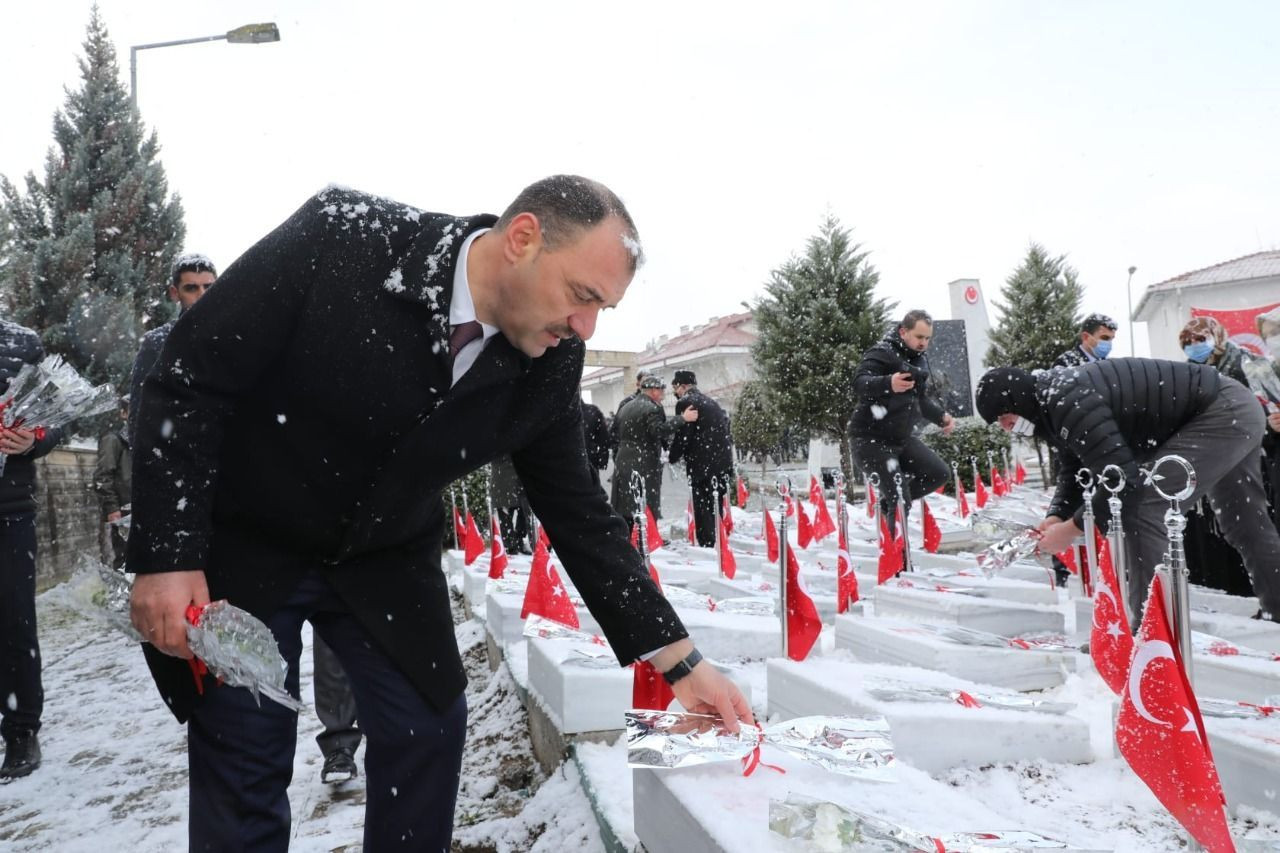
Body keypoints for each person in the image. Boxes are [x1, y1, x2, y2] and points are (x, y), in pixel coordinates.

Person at [127, 175, 752, 850]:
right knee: (244, 747)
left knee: (428, 724)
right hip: (250, 537)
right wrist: (168, 555)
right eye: (582, 295)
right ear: (522, 239)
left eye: (603, 308)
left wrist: (683, 662)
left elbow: (579, 513)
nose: (585, 327)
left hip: (383, 557)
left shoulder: (548, 362)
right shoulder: (343, 239)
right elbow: (188, 374)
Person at [975, 359, 1280, 623]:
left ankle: (1151, 632)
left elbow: (1121, 479)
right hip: (1235, 407)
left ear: (1017, 402)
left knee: (1145, 507)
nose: (1006, 427)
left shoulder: (1067, 400)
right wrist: (1057, 516)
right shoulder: (1052, 402)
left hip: (1221, 411)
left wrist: (1073, 528)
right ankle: (1276, 610)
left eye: (1005, 418)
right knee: (1245, 521)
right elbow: (1073, 469)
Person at [0, 319, 63, 780]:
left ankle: (21, 730)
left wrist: (35, 439)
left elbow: (60, 415)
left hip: (9, 510)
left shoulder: (22, 343)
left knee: (15, 621)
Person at [849, 310, 955, 538]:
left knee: (938, 473)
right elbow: (859, 382)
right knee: (900, 498)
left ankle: (888, 504)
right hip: (870, 439)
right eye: (919, 337)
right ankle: (897, 561)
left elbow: (920, 400)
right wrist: (888, 382)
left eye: (927, 338)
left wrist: (941, 417)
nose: (923, 343)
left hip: (900, 438)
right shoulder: (882, 353)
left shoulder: (917, 360)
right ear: (903, 332)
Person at [128, 253, 218, 444]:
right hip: (178, 455)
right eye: (191, 288)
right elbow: (139, 415)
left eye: (208, 287)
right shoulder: (158, 343)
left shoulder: (238, 337)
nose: (202, 294)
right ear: (175, 293)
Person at [668, 370, 734, 547]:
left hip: (702, 464)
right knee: (715, 503)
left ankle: (708, 544)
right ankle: (719, 541)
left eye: (675, 388)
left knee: (702, 507)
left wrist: (672, 456)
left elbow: (684, 435)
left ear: (682, 386)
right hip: (721, 462)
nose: (675, 392)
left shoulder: (686, 402)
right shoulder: (710, 401)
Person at [610, 374, 671, 529]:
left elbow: (613, 434)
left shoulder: (625, 406)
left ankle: (627, 535)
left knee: (626, 503)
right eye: (661, 390)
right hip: (644, 461)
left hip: (623, 459)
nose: (663, 394)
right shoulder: (652, 408)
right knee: (645, 502)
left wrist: (617, 455)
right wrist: (681, 419)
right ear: (653, 391)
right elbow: (658, 431)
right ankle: (645, 539)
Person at [92, 396, 132, 570]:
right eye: (133, 408)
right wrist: (112, 508)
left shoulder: (144, 440)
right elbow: (102, 476)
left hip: (144, 511)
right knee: (125, 560)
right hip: (124, 512)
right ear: (123, 413)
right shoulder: (114, 440)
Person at [490, 454, 533, 554]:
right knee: (521, 513)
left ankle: (512, 543)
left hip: (505, 483)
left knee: (507, 515)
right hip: (513, 482)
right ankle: (516, 542)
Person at [609, 368, 652, 456]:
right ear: (638, 384)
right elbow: (615, 429)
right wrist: (617, 451)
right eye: (644, 382)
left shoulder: (655, 403)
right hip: (630, 454)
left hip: (650, 454)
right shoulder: (627, 403)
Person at [1053, 313, 1118, 368]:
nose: (1109, 343)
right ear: (1086, 337)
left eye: (1111, 339)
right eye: (1105, 338)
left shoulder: (1110, 365)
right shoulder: (1066, 363)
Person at [581, 399, 613, 493]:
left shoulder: (563, 412)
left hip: (585, 459)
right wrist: (603, 459)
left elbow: (603, 438)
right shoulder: (592, 411)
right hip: (589, 458)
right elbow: (604, 438)